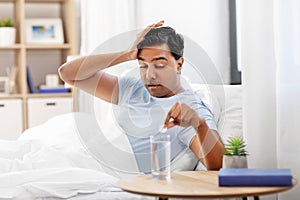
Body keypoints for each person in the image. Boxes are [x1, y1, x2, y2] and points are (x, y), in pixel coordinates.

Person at [58, 20, 225, 173]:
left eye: (159, 65)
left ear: (179, 65)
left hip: (109, 171)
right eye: (143, 65)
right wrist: (126, 54)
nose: (149, 75)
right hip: (83, 156)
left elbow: (218, 164)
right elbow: (68, 73)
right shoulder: (134, 88)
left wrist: (200, 124)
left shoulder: (189, 108)